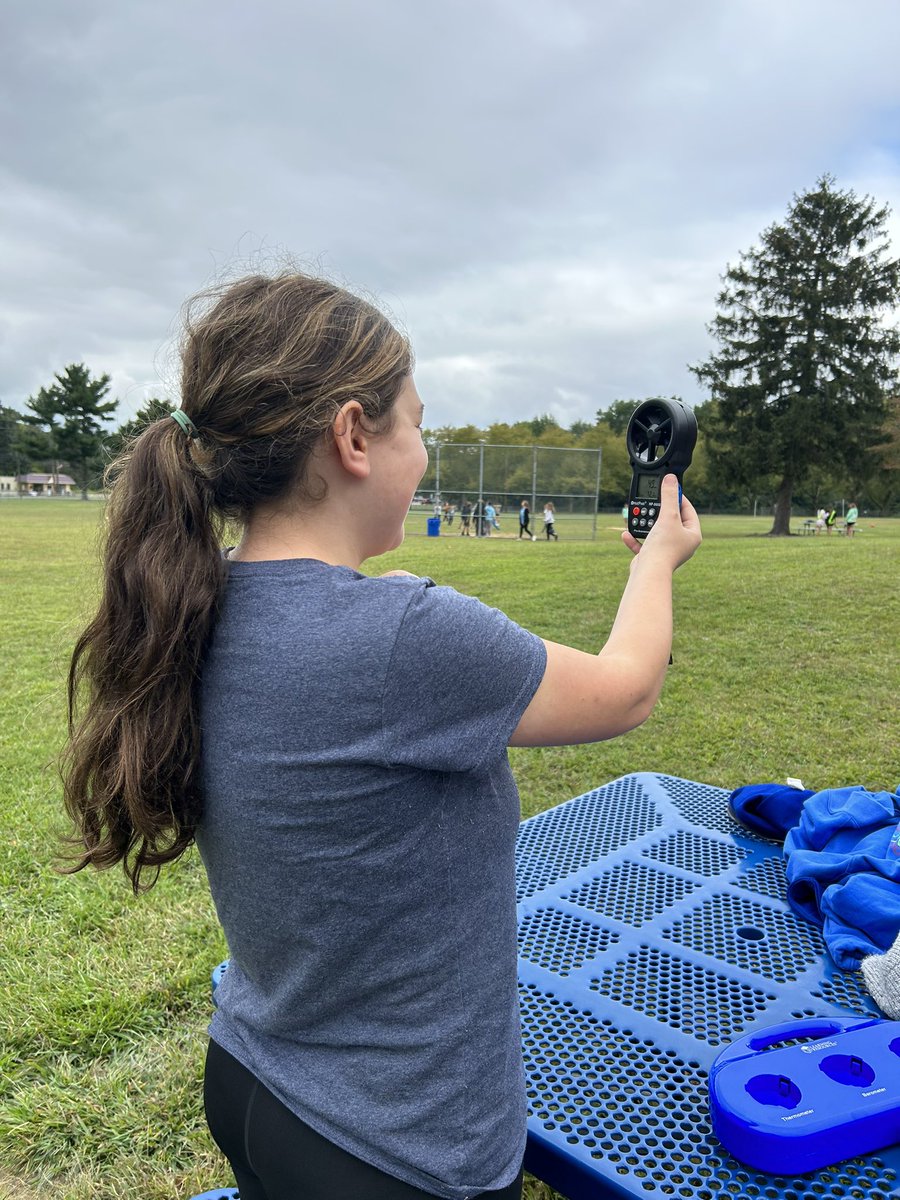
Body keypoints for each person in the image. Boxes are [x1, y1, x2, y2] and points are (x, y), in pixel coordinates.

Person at [59, 271, 701, 1200]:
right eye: (418, 422)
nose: (426, 452)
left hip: (249, 1081)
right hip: (401, 1147)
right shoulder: (405, 635)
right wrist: (661, 561)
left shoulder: (190, 606)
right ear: (354, 435)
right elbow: (626, 693)